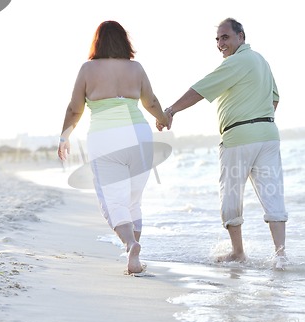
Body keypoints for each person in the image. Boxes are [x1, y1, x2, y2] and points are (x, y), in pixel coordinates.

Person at [157, 18, 288, 270]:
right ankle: (280, 256)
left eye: (225, 37)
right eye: (217, 39)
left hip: (238, 139)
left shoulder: (236, 62)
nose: (220, 44)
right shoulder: (261, 61)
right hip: (268, 135)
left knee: (230, 198)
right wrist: (260, 120)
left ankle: (238, 253)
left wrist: (171, 110)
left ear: (241, 36)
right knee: (273, 196)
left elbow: (201, 89)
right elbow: (275, 98)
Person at [58, 21, 170, 274]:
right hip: (140, 136)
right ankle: (135, 256)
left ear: (97, 42)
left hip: (105, 138)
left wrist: (64, 137)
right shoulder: (135, 68)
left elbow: (75, 109)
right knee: (134, 200)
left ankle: (130, 245)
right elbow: (150, 101)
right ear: (124, 41)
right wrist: (163, 119)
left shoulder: (88, 69)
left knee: (113, 200)